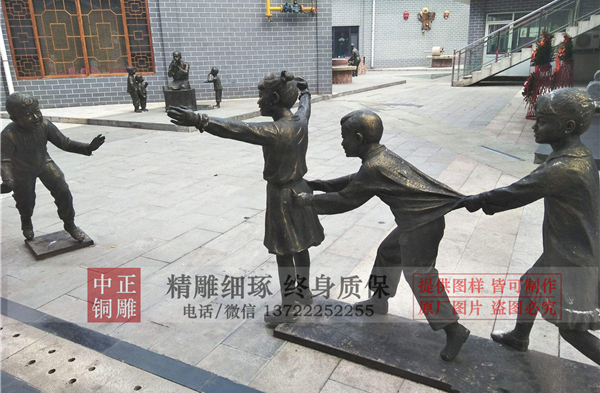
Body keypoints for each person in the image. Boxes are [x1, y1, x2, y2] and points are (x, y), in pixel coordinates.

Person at [294, 110, 470, 361]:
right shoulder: (379, 158)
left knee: (419, 276)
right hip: (418, 221)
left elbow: (346, 199)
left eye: (344, 137)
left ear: (358, 138)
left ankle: (453, 329)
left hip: (421, 224)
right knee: (388, 253)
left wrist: (307, 201)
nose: (341, 142)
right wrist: (322, 184)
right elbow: (356, 179)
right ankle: (378, 301)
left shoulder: (374, 166)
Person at [167, 71, 324, 324]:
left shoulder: (274, 131)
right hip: (301, 189)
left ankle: (288, 307)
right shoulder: (299, 121)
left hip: (282, 197)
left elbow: (236, 129)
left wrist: (199, 119)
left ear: (274, 98)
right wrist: (305, 92)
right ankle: (303, 293)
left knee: (285, 252)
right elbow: (305, 107)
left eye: (261, 96)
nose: (258, 101)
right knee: (301, 246)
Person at [462, 88, 599, 365]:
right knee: (531, 283)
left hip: (573, 257)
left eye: (543, 121)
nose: (535, 126)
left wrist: (477, 200)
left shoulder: (564, 168)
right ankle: (519, 336)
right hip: (567, 248)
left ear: (567, 126)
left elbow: (517, 192)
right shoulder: (579, 156)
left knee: (571, 330)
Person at [1, 92, 105, 242]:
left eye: (37, 111)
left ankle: (70, 224)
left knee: (63, 190)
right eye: (28, 115)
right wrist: (8, 180)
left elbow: (65, 143)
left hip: (44, 162)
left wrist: (87, 148)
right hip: (21, 171)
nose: (36, 117)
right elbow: (4, 160)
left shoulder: (45, 125)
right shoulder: (8, 135)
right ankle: (26, 221)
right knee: (25, 200)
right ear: (15, 119)